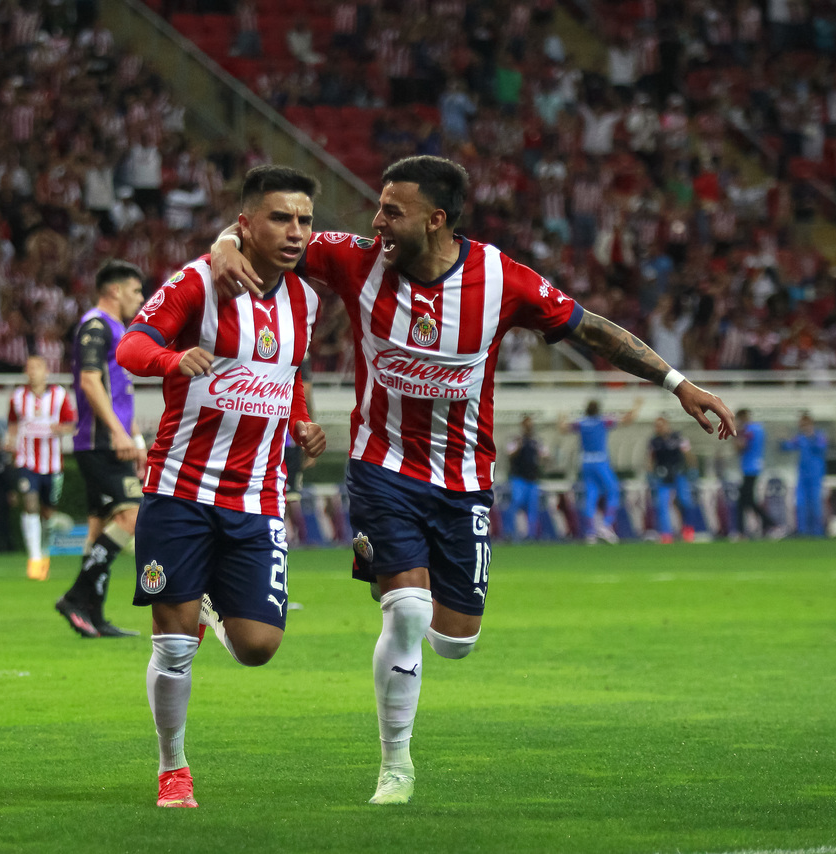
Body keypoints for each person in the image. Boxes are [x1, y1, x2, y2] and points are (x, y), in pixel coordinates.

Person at [209, 154, 737, 806]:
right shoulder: (355, 260)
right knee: (406, 611)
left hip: (463, 480)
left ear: (435, 220)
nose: (376, 222)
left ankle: (404, 592)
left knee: (455, 642)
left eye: (392, 211)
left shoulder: (500, 279)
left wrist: (678, 384)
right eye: (378, 208)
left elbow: (592, 330)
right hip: (382, 468)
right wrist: (225, 243)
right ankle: (395, 765)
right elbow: (265, 236)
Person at [115, 165, 327, 809]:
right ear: (245, 223)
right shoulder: (198, 283)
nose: (295, 232)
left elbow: (285, 374)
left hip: (258, 498)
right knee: (175, 645)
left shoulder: (305, 300)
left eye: (304, 220)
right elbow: (131, 346)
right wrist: (171, 358)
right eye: (280, 218)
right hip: (180, 490)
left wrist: (300, 421)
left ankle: (210, 600)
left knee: (259, 648)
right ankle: (172, 769)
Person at [54, 260, 146, 639]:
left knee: (98, 527)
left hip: (114, 440)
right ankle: (75, 596)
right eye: (136, 291)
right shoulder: (95, 326)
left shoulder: (118, 329)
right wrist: (119, 435)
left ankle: (93, 613)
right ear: (115, 290)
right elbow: (90, 382)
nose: (141, 298)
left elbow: (119, 394)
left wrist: (136, 439)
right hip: (100, 442)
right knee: (132, 518)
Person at [6, 354, 76, 581]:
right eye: (29, 368)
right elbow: (13, 423)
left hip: (52, 464)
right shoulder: (18, 397)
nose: (32, 371)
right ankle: (35, 558)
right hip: (26, 462)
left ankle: (44, 552)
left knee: (48, 514)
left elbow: (71, 424)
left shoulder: (59, 395)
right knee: (30, 504)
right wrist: (11, 440)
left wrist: (59, 429)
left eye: (37, 367)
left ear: (46, 371)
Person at [561, 398, 642, 544]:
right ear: (598, 410)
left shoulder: (581, 423)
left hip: (585, 462)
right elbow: (627, 420)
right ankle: (606, 525)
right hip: (600, 461)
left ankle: (590, 532)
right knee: (613, 490)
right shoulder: (602, 421)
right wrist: (637, 405)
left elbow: (563, 428)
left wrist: (562, 415)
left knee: (591, 494)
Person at [648, 415, 696, 543]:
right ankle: (666, 534)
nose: (658, 428)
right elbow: (650, 458)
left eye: (660, 425)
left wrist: (692, 469)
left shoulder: (678, 437)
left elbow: (688, 454)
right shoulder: (654, 441)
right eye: (656, 426)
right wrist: (650, 474)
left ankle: (688, 530)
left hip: (678, 473)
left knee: (685, 501)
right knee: (662, 504)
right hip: (663, 475)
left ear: (666, 425)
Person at [780, 413, 828, 537]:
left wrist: (812, 437)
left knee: (815, 504)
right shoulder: (800, 438)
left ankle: (817, 532)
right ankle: (803, 531)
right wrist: (782, 439)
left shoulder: (819, 436)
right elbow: (788, 446)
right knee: (801, 503)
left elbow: (822, 447)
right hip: (802, 475)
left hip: (815, 475)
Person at [733, 408, 778, 539]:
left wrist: (735, 434)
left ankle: (770, 524)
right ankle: (747, 529)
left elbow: (740, 446)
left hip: (749, 468)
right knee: (744, 501)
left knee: (747, 501)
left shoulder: (749, 430)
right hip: (756, 466)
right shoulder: (759, 428)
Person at [505, 414, 545, 541]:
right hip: (519, 478)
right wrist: (519, 445)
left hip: (532, 479)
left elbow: (544, 456)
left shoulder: (536, 441)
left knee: (532, 508)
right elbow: (510, 454)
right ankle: (510, 533)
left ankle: (532, 535)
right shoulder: (517, 440)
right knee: (516, 503)